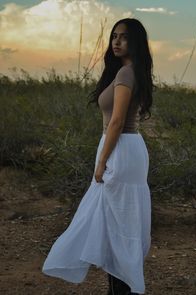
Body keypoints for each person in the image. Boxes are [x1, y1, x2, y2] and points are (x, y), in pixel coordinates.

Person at [42, 18, 154, 295]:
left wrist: (103, 160)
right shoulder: (129, 72)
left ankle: (123, 289)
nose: (116, 41)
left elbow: (116, 121)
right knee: (117, 224)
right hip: (126, 149)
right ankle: (119, 288)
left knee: (118, 225)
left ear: (135, 41)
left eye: (124, 37)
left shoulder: (127, 74)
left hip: (120, 149)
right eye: (114, 36)